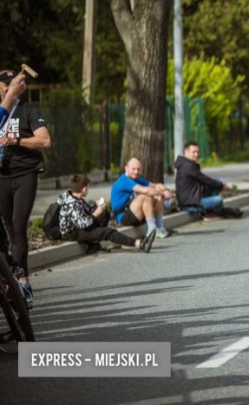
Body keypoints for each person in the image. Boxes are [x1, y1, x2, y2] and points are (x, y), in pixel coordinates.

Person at [0, 69, 51, 306]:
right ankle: (18, 279)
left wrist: (16, 140)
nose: (7, 88)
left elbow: (44, 140)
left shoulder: (27, 110)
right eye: (4, 84)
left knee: (19, 228)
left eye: (11, 84)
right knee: (9, 230)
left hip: (25, 175)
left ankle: (21, 285)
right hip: (2, 177)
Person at [58, 175, 154, 253]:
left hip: (79, 227)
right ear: (84, 189)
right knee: (107, 232)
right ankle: (139, 244)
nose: (88, 189)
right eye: (88, 186)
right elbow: (83, 224)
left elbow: (84, 212)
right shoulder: (71, 204)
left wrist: (95, 206)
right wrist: (96, 213)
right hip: (72, 233)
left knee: (105, 214)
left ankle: (93, 245)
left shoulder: (76, 198)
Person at [110, 158, 177, 239]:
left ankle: (160, 229)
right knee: (145, 195)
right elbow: (145, 190)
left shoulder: (136, 179)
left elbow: (157, 185)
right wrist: (163, 193)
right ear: (126, 168)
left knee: (157, 192)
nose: (136, 172)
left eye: (138, 169)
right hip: (124, 217)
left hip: (136, 214)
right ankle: (152, 228)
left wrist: (166, 191)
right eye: (133, 169)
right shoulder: (124, 180)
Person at [174, 141, 242, 218]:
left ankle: (211, 210)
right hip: (190, 205)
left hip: (192, 198)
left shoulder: (185, 164)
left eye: (197, 152)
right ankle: (211, 210)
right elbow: (204, 179)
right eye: (193, 152)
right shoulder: (188, 166)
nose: (196, 154)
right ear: (186, 152)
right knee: (218, 200)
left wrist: (219, 184)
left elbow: (204, 180)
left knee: (216, 184)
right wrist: (221, 185)